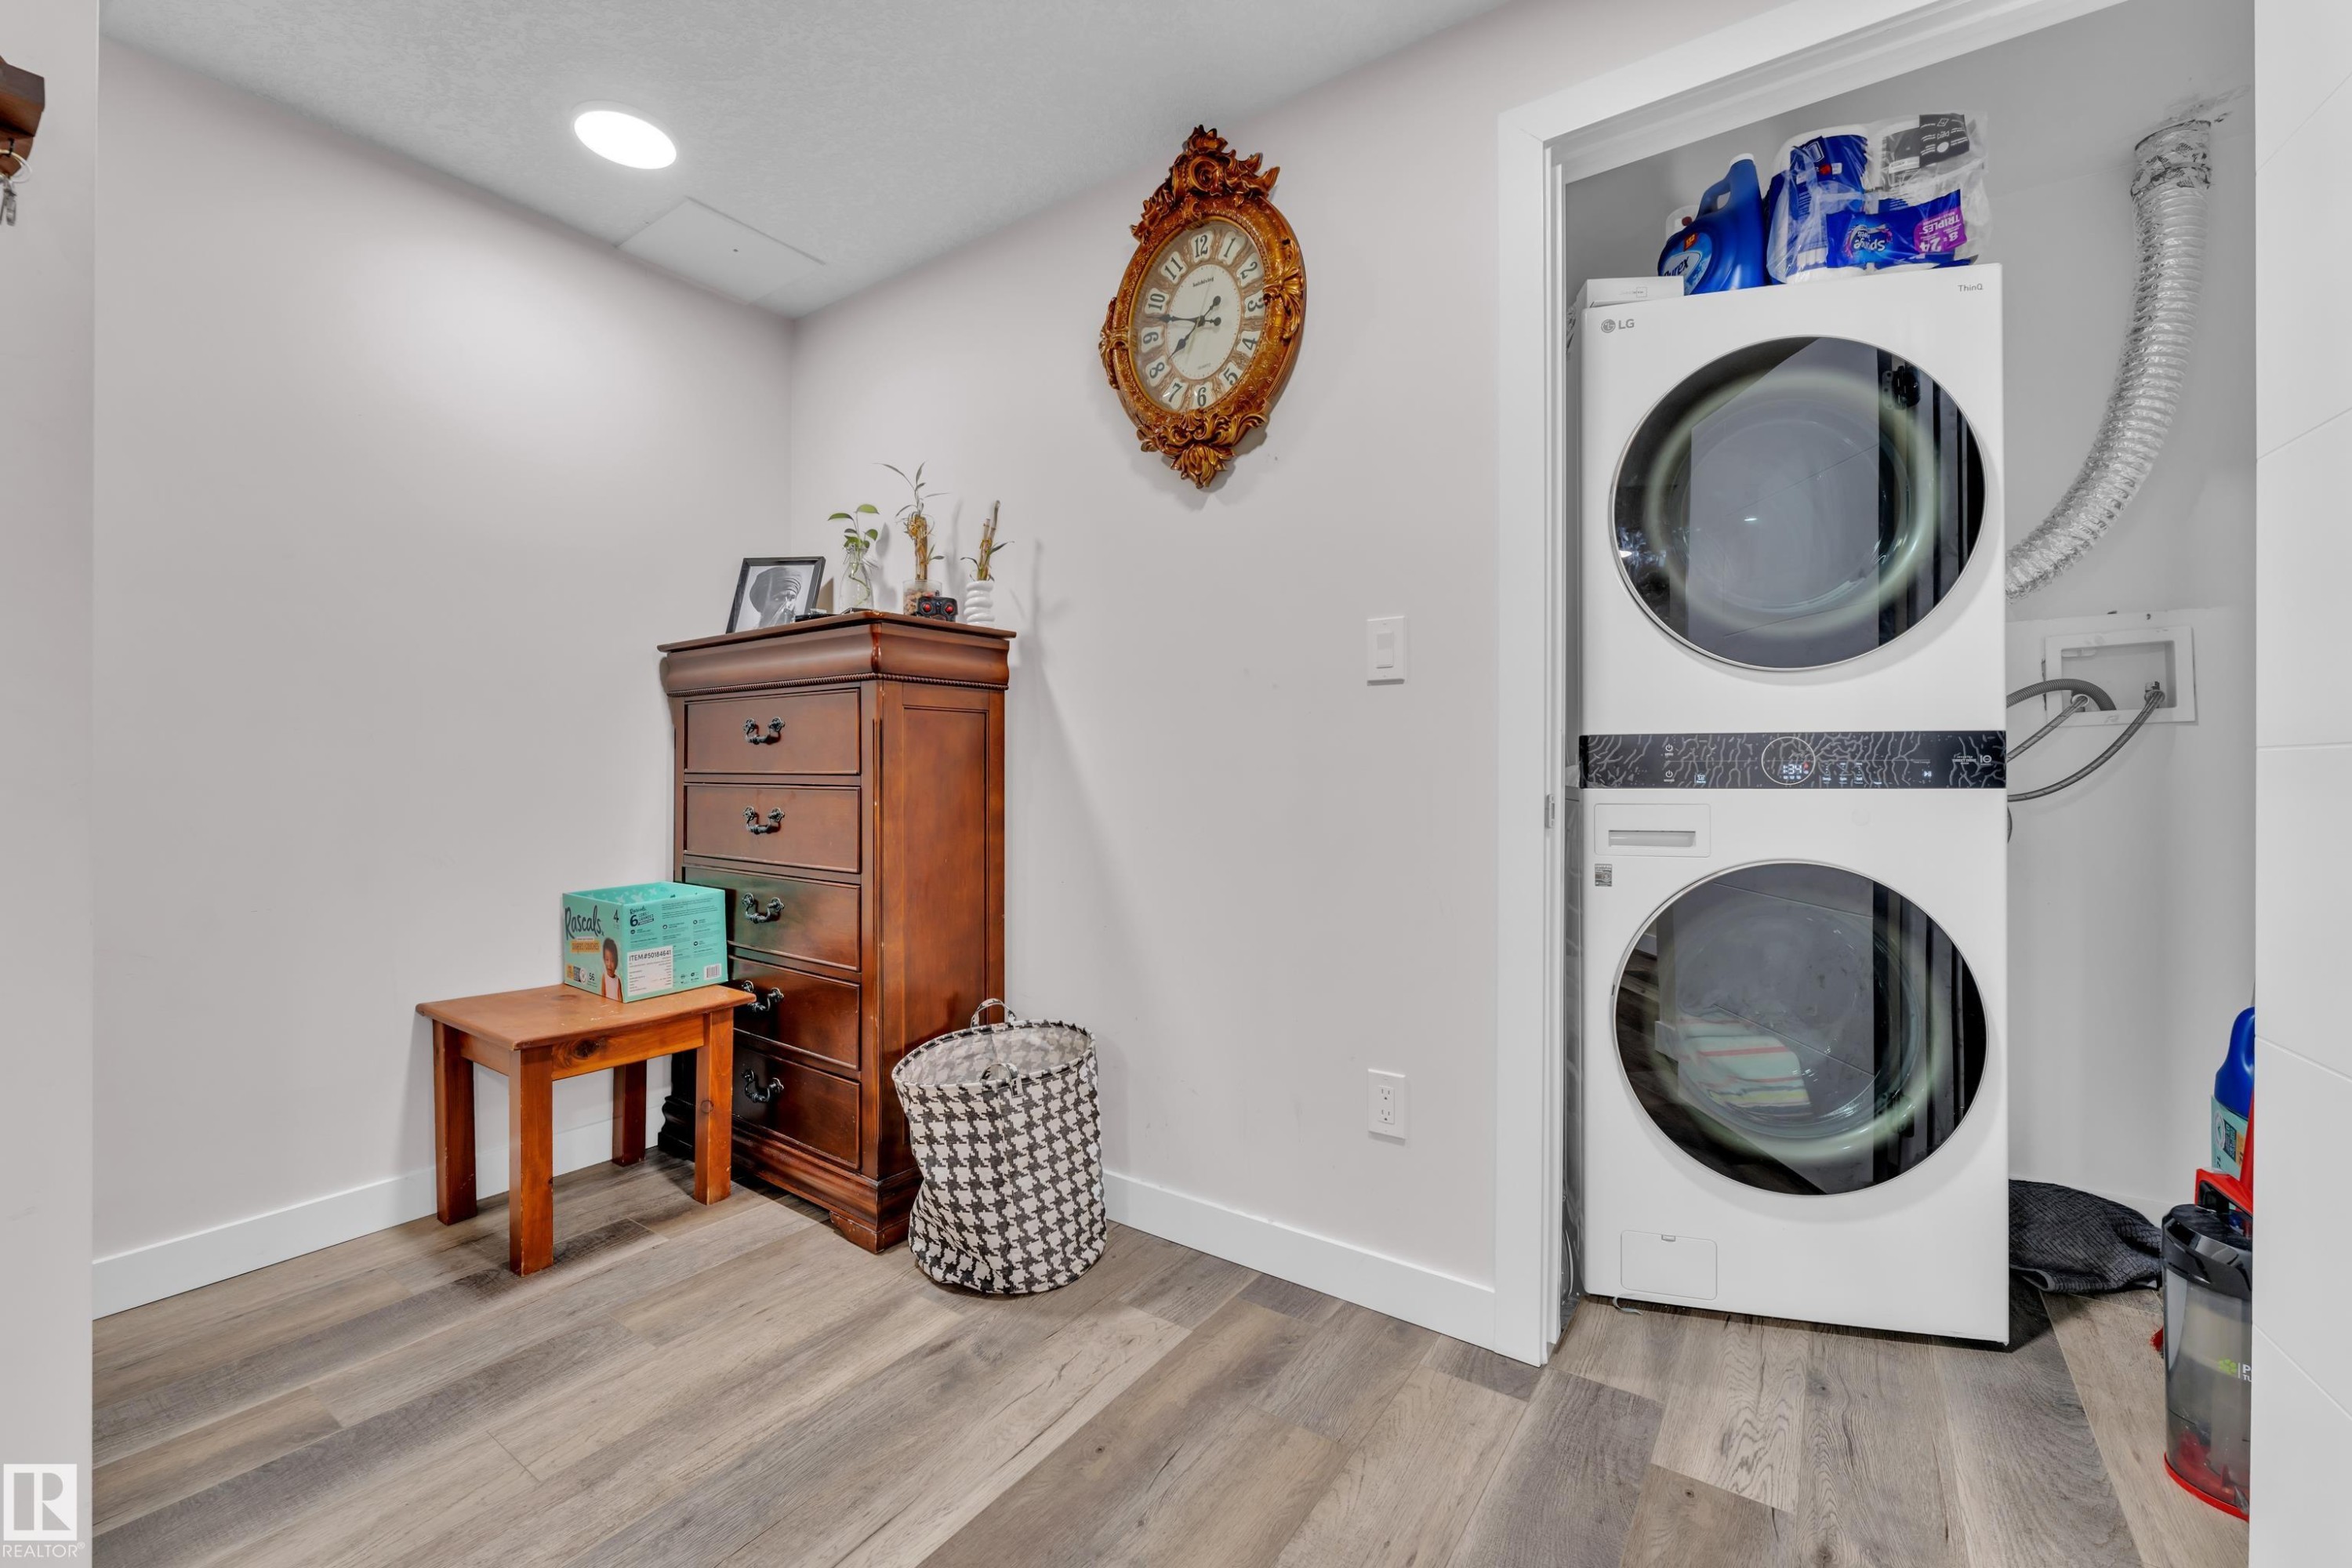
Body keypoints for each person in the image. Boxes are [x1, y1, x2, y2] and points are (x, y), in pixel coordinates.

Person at [745, 564, 806, 628]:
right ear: (762, 604)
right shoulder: (749, 636)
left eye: (792, 598)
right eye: (778, 599)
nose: (786, 606)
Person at [601, 936, 624, 1000]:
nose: (609, 964)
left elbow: (620, 997)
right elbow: (603, 994)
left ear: (616, 963)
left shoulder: (617, 980)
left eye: (613, 961)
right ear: (604, 960)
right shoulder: (604, 977)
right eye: (607, 960)